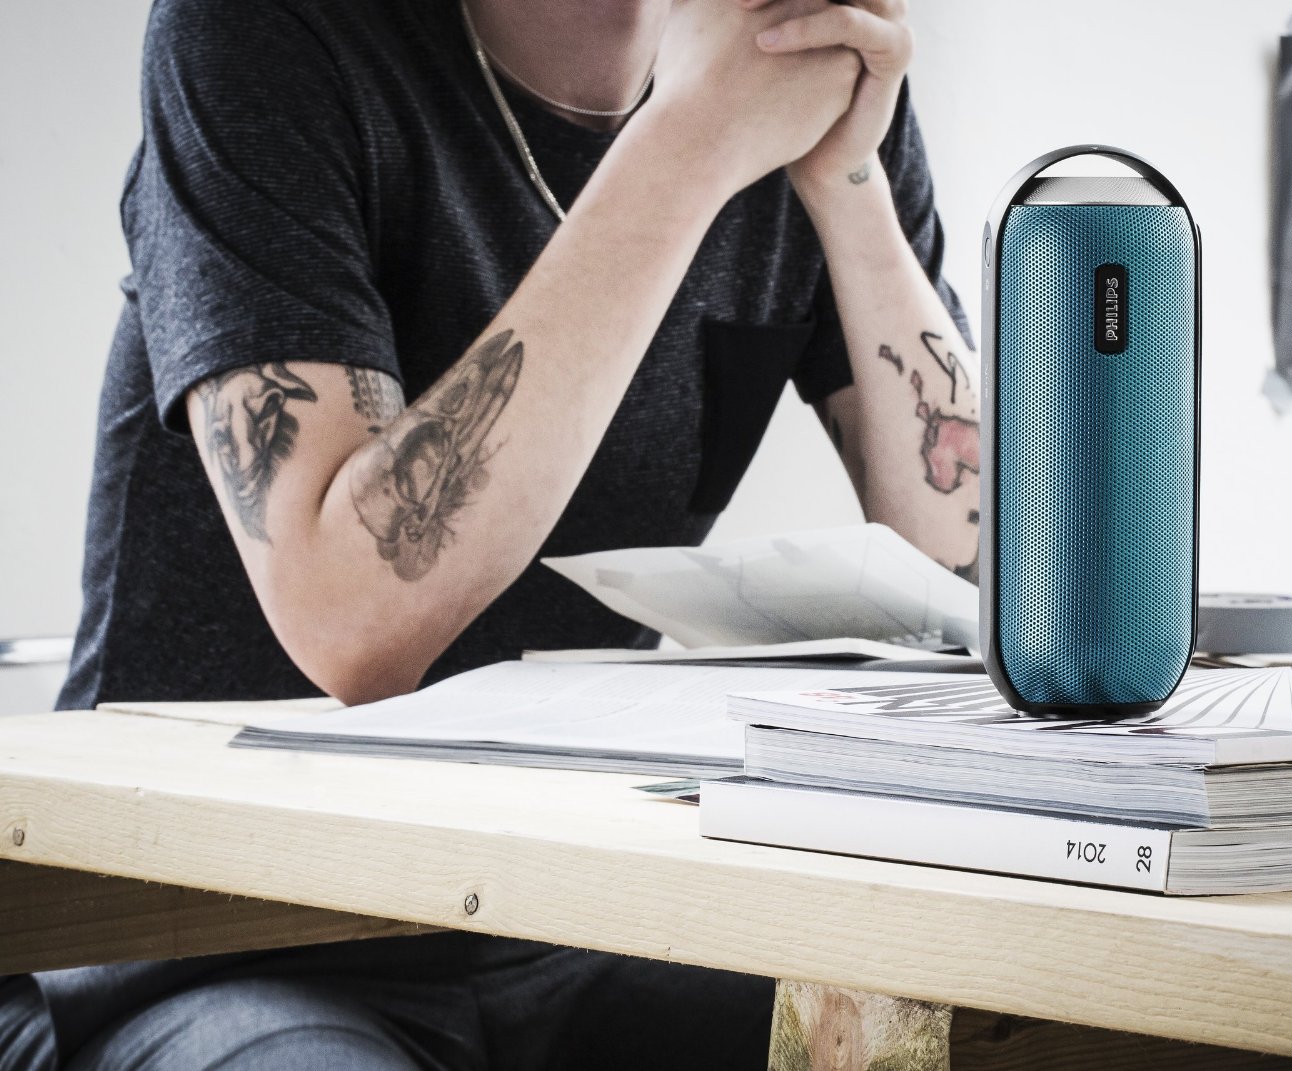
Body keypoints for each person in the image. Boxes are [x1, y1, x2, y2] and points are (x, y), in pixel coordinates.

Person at [7, 0, 979, 1066]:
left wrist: (849, 181)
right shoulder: (260, 35)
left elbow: (977, 577)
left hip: (560, 900)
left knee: (975, 1033)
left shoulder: (786, 52)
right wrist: (693, 142)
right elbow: (351, 623)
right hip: (215, 929)